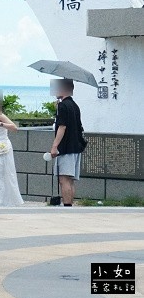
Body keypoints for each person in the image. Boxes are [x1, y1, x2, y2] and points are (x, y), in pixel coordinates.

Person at [49, 79, 83, 208]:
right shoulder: (74, 105)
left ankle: (67, 207)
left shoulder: (63, 106)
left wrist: (54, 146)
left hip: (66, 148)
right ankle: (70, 206)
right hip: (75, 147)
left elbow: (62, 127)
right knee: (70, 180)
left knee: (64, 180)